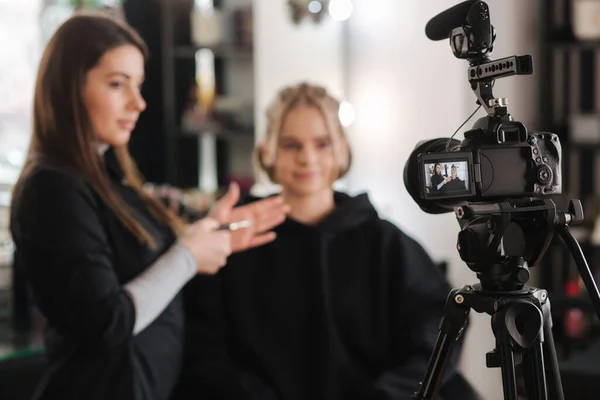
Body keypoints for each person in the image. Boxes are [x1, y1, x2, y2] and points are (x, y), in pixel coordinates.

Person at [9, 12, 288, 400]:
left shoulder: (109, 180)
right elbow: (109, 320)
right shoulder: (52, 189)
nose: (138, 103)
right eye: (117, 85)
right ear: (68, 88)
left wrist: (205, 234)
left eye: (138, 85)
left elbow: (147, 269)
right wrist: (189, 256)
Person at [177, 83, 478, 400]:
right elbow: (205, 350)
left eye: (322, 144)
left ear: (342, 150)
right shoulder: (237, 241)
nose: (307, 158)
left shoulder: (385, 244)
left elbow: (439, 334)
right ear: (268, 151)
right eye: (292, 145)